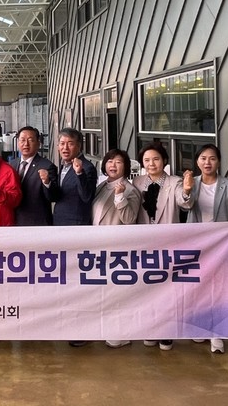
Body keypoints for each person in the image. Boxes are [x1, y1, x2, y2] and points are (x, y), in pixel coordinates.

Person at [187, 143, 228, 355]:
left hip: (221, 245)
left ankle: (217, 333)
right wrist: (187, 189)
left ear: (219, 162)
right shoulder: (191, 183)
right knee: (199, 287)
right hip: (197, 244)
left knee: (219, 288)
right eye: (203, 158)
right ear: (197, 161)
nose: (207, 162)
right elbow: (185, 205)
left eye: (212, 158)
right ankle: (200, 326)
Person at [132, 142, 194, 351]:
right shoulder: (137, 182)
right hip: (144, 245)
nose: (151, 164)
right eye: (147, 160)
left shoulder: (175, 182)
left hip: (168, 245)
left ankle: (167, 331)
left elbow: (184, 202)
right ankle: (150, 329)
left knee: (167, 290)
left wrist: (187, 190)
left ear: (164, 161)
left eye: (156, 159)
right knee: (147, 289)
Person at [91, 148, 143, 349]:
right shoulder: (102, 186)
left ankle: (120, 333)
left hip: (116, 250)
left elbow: (129, 220)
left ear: (126, 167)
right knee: (102, 293)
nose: (113, 165)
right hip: (97, 247)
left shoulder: (130, 190)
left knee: (116, 294)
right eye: (110, 161)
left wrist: (120, 197)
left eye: (118, 162)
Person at [10, 126, 59, 225]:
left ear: (38, 143)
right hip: (15, 221)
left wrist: (47, 182)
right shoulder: (11, 165)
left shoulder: (47, 166)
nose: (26, 144)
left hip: (37, 223)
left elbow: (53, 197)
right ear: (18, 143)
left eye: (30, 140)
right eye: (22, 140)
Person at [52, 128, 96, 226]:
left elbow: (87, 197)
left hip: (76, 223)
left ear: (79, 146)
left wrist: (79, 173)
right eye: (62, 143)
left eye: (70, 144)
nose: (65, 148)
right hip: (59, 221)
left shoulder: (87, 167)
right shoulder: (64, 165)